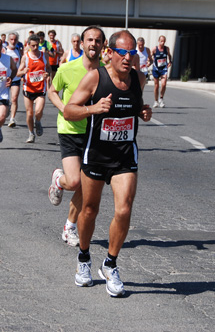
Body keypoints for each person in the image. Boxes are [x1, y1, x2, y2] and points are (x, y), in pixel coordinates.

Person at [64, 30, 152, 297]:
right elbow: (69, 110)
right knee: (89, 210)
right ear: (110, 53)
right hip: (97, 155)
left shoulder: (139, 78)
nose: (127, 58)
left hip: (125, 156)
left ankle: (111, 264)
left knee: (124, 209)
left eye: (132, 53)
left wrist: (144, 111)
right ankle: (83, 259)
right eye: (122, 53)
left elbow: (135, 107)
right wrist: (93, 109)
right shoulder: (95, 78)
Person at [47, 26, 106, 247]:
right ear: (82, 44)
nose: (93, 44)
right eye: (89, 40)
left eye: (97, 40)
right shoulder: (67, 68)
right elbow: (52, 91)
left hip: (96, 134)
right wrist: (64, 109)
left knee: (86, 185)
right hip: (70, 130)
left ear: (103, 45)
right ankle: (58, 180)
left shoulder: (106, 72)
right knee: (73, 181)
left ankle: (69, 227)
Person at [16, 34, 50, 143]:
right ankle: (31, 134)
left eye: (37, 45)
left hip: (40, 89)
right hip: (28, 88)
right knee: (29, 113)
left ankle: (38, 121)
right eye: (33, 46)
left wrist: (47, 74)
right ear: (29, 45)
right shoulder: (25, 57)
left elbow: (48, 68)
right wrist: (23, 72)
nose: (35, 48)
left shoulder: (44, 55)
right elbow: (17, 73)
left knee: (38, 112)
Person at [5, 33, 22, 128]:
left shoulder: (19, 51)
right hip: (5, 79)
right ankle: (6, 110)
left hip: (15, 78)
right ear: (8, 40)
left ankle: (12, 119)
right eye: (11, 39)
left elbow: (22, 63)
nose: (13, 41)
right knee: (5, 99)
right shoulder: (4, 50)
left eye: (15, 40)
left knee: (14, 98)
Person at [151, 35, 172, 108]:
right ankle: (156, 101)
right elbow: (150, 57)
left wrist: (170, 62)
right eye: (161, 41)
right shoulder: (154, 49)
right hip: (156, 69)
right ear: (158, 41)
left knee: (164, 84)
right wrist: (149, 62)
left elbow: (169, 55)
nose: (162, 43)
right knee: (156, 86)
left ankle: (161, 99)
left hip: (163, 69)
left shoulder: (166, 49)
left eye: (164, 41)